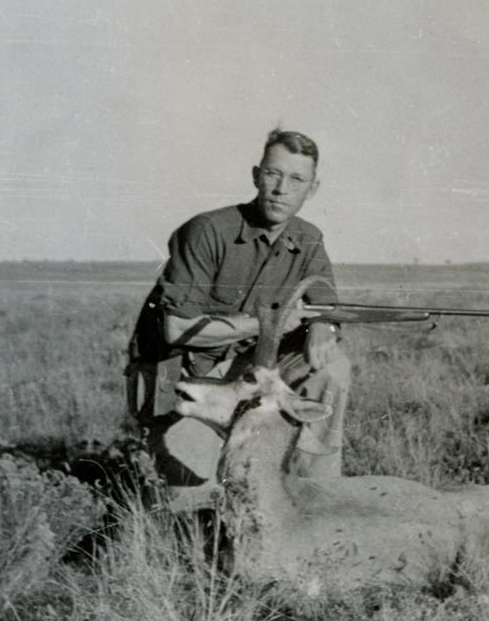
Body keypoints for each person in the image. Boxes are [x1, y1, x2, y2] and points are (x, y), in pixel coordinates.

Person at [126, 128, 351, 511]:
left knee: (334, 367)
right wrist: (268, 324)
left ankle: (317, 498)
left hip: (249, 378)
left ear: (312, 189)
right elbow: (177, 329)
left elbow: (325, 306)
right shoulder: (207, 232)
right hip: (188, 381)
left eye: (296, 179)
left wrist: (321, 326)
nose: (282, 188)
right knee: (189, 503)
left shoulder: (308, 239)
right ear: (255, 176)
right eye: (273, 174)